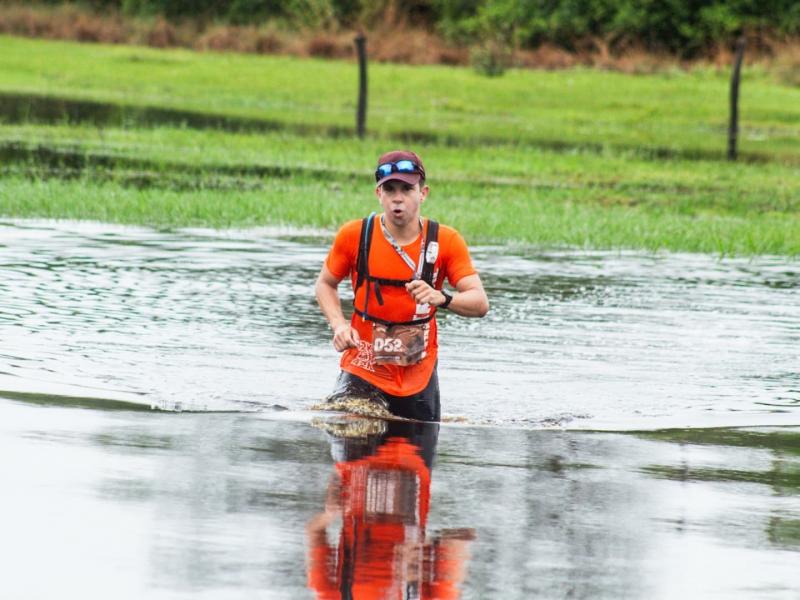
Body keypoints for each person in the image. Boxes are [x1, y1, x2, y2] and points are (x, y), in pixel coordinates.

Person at [315, 150, 489, 422]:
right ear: (378, 194)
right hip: (363, 366)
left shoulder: (446, 241)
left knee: (413, 456)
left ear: (423, 193)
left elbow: (480, 303)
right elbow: (325, 284)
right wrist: (338, 324)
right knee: (350, 429)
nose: (398, 198)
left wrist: (441, 297)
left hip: (418, 374)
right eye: (390, 189)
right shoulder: (355, 236)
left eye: (407, 189)